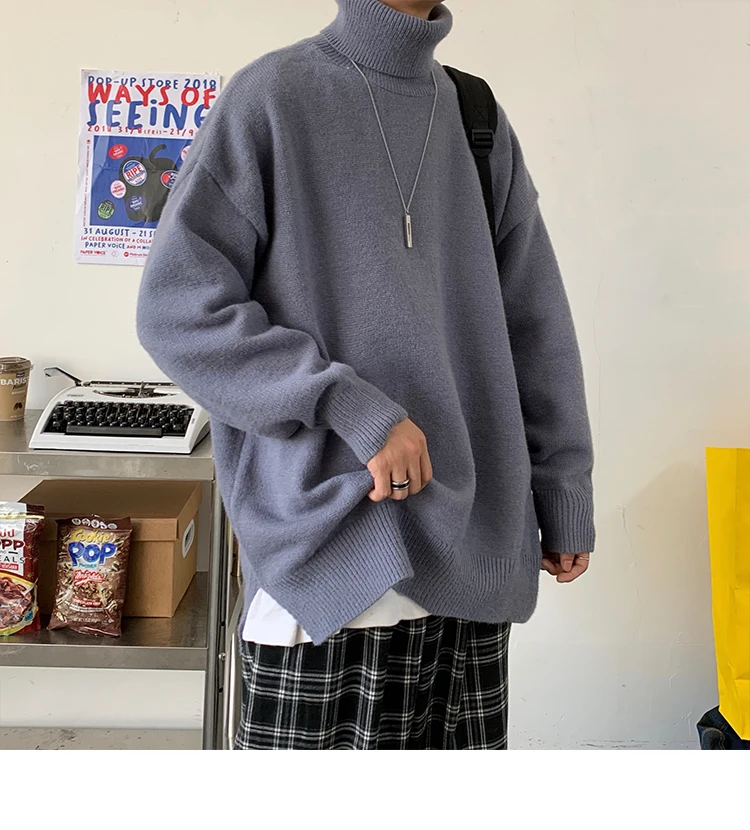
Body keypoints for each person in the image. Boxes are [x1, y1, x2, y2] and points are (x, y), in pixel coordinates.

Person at [137, 0, 595, 751]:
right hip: (328, 565)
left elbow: (535, 322)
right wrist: (345, 403)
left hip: (472, 561)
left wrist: (563, 485)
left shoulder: (475, 116)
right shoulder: (273, 97)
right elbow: (178, 309)